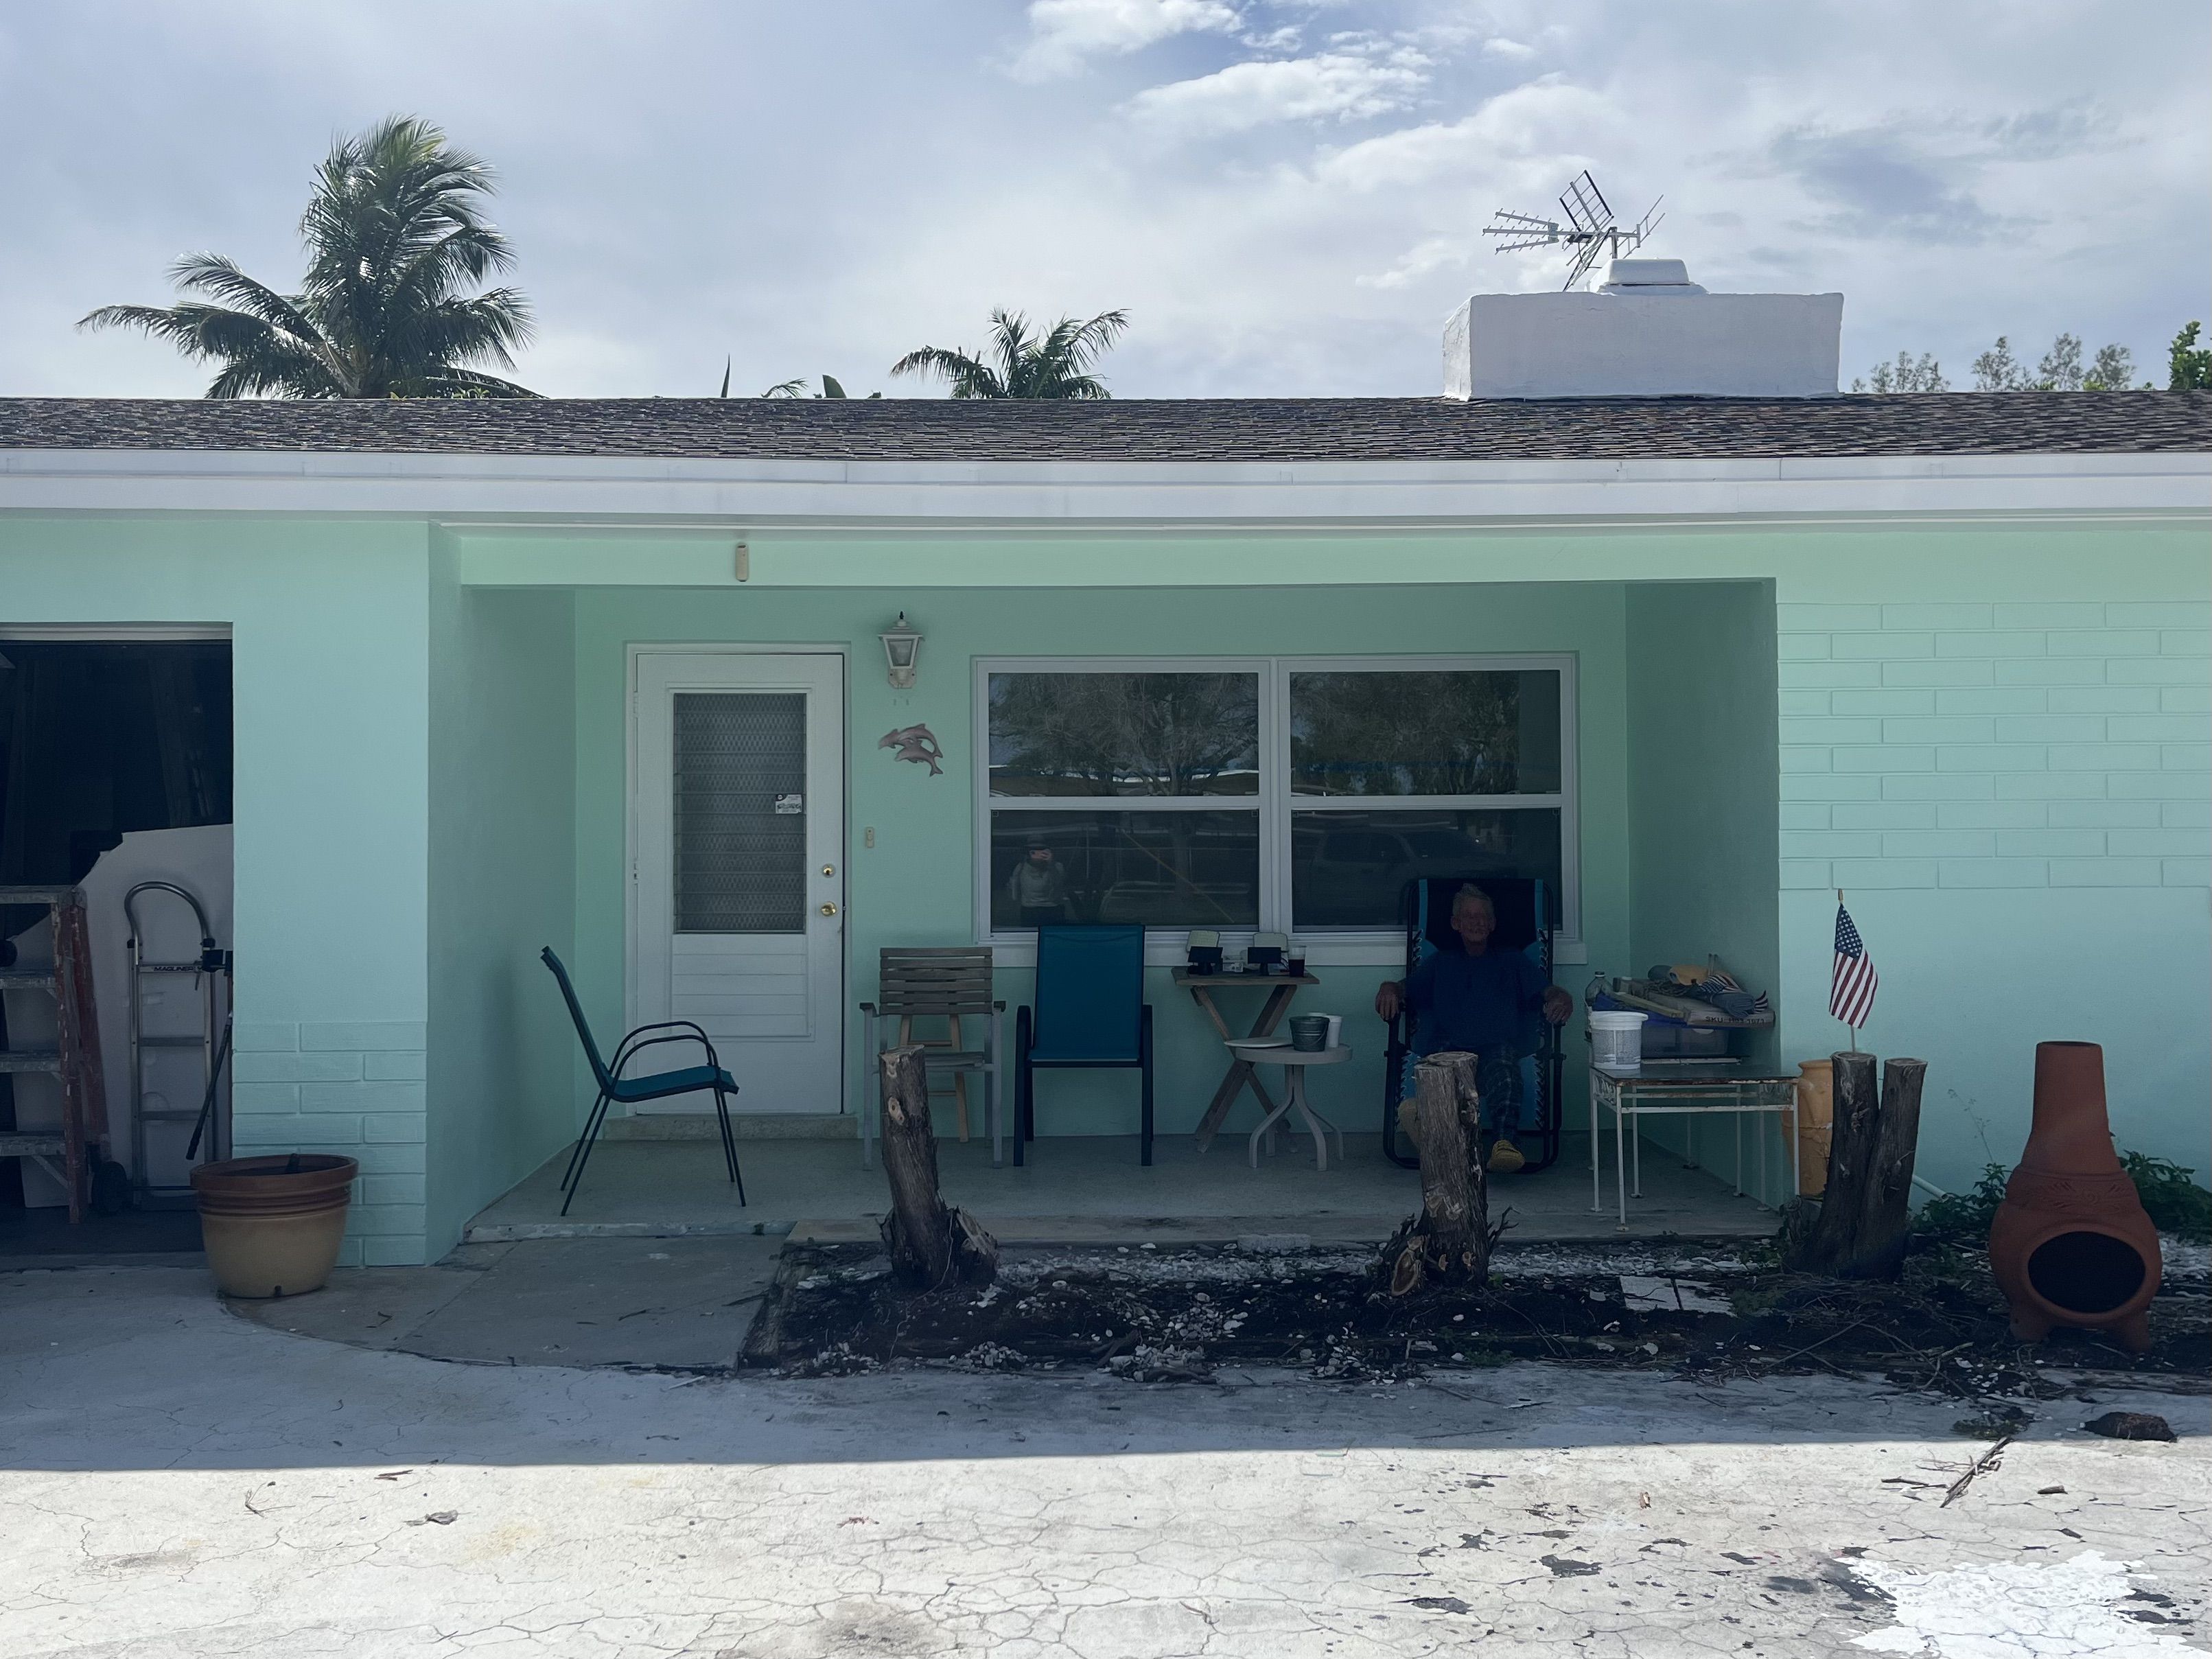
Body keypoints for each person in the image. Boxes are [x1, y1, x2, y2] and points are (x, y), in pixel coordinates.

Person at [1375, 883, 1571, 1174]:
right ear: (1456, 924)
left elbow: (1548, 991)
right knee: (1441, 1076)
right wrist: (1388, 988)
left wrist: (1561, 997)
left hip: (1497, 1048)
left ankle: (1504, 1145)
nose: (1477, 922)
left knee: (1506, 1077)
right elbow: (1404, 989)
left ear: (1492, 925)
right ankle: (1441, 1137)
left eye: (1483, 917)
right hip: (1449, 1048)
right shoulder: (1441, 963)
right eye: (1469, 916)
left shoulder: (1512, 960)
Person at [1005, 842, 1070, 929]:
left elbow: (1060, 886)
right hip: (1030, 911)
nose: (1039, 855)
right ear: (1028, 853)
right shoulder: (1021, 867)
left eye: (1042, 851)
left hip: (1053, 910)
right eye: (1033, 852)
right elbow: (1014, 894)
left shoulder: (1057, 866)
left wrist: (1051, 865)